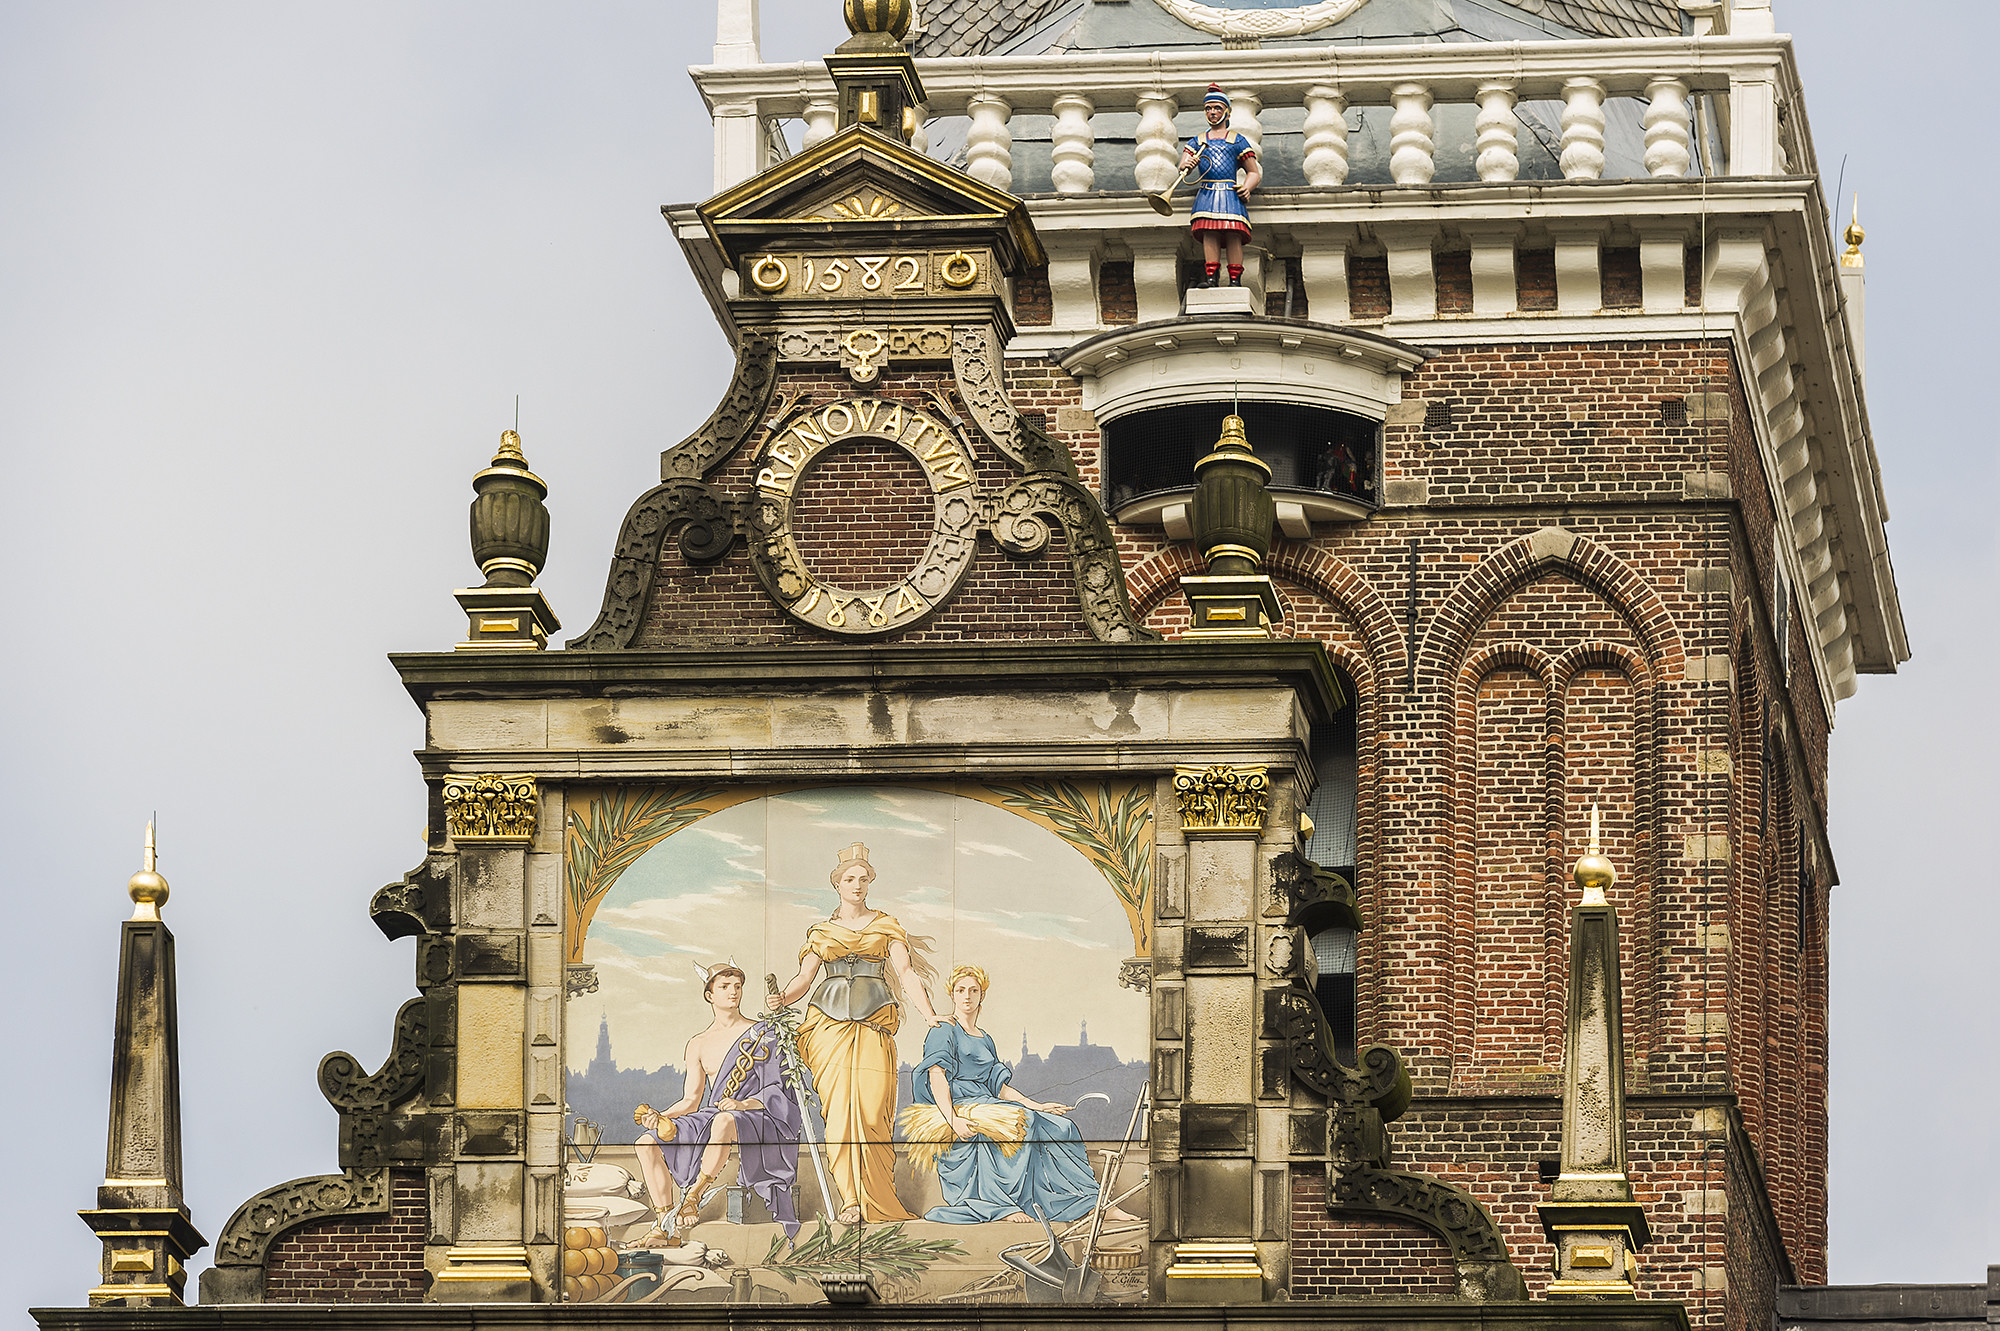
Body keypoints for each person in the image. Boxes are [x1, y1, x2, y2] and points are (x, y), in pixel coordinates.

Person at [768, 842, 939, 1223]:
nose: (857, 884)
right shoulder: (821, 931)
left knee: (872, 1111)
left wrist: (929, 1014)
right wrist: (783, 998)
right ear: (838, 884)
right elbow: (803, 978)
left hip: (874, 1025)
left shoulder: (886, 925)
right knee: (840, 1115)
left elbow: (907, 974)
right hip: (827, 1028)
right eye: (850, 879)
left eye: (863, 878)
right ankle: (849, 1200)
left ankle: (877, 1197)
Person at [898, 965, 1138, 1226]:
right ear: (952, 995)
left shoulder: (985, 1038)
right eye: (960, 990)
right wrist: (952, 1119)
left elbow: (998, 1087)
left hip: (988, 1102)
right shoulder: (943, 1030)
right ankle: (1002, 1204)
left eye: (973, 990)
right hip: (959, 1106)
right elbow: (936, 1076)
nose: (967, 996)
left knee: (1062, 1126)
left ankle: (1092, 1205)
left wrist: (1038, 1105)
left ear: (982, 996)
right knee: (1025, 1121)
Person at [633, 963, 801, 1243]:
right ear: (709, 995)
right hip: (716, 1113)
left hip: (759, 1116)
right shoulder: (697, 1044)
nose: (733, 992)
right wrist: (660, 1115)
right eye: (724, 987)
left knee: (724, 1120)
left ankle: (693, 1196)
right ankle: (665, 1225)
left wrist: (743, 1104)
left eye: (737, 986)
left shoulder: (763, 1034)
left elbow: (779, 1089)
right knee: (645, 1143)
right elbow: (690, 1100)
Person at [1177, 84, 1261, 289]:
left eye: (1217, 108)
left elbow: (1254, 172)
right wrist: (1186, 164)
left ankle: (1235, 279)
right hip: (1207, 192)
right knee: (1210, 233)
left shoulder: (1236, 140)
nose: (1212, 112)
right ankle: (1212, 278)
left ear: (1226, 111)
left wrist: (1247, 187)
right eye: (1208, 109)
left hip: (1230, 194)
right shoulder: (1197, 141)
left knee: (1233, 234)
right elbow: (1183, 163)